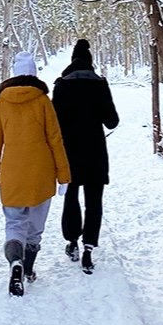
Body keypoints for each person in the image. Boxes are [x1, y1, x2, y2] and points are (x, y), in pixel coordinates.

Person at [0, 52, 70, 296]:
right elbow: (55, 139)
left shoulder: (2, 101)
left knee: (14, 223)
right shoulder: (43, 100)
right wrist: (63, 175)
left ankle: (15, 262)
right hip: (41, 173)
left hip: (12, 172)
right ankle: (29, 268)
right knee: (34, 228)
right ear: (34, 73)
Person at [51, 39, 119, 274]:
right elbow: (112, 121)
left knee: (71, 196)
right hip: (95, 151)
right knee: (94, 200)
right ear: (91, 62)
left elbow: (53, 123)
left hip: (69, 151)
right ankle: (88, 247)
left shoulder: (61, 85)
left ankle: (72, 241)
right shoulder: (100, 85)